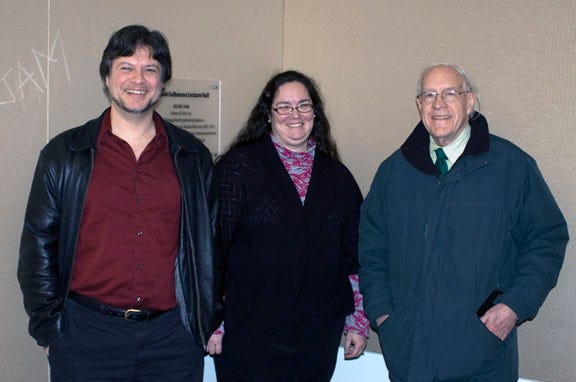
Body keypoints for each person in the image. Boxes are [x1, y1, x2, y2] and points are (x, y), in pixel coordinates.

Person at [17, 25, 222, 381]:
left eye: (150, 69)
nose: (138, 79)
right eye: (126, 66)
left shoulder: (192, 157)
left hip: (172, 340)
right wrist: (49, 328)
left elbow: (213, 245)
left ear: (162, 82)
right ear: (107, 77)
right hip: (86, 337)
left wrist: (206, 320)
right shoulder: (65, 155)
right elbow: (38, 245)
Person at [359, 63, 568, 381]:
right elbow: (372, 248)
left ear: (469, 101)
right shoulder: (394, 172)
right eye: (429, 94)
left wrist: (513, 307)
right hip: (408, 357)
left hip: (483, 361)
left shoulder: (511, 167)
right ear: (419, 105)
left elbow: (547, 238)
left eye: (449, 93)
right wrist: (385, 315)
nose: (438, 104)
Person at [208, 70, 369, 381]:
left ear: (315, 113)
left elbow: (354, 257)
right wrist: (214, 321)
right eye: (284, 106)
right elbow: (213, 252)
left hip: (316, 338)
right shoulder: (236, 169)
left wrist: (356, 321)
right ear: (268, 115)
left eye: (304, 105)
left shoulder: (339, 178)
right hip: (249, 336)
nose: (294, 115)